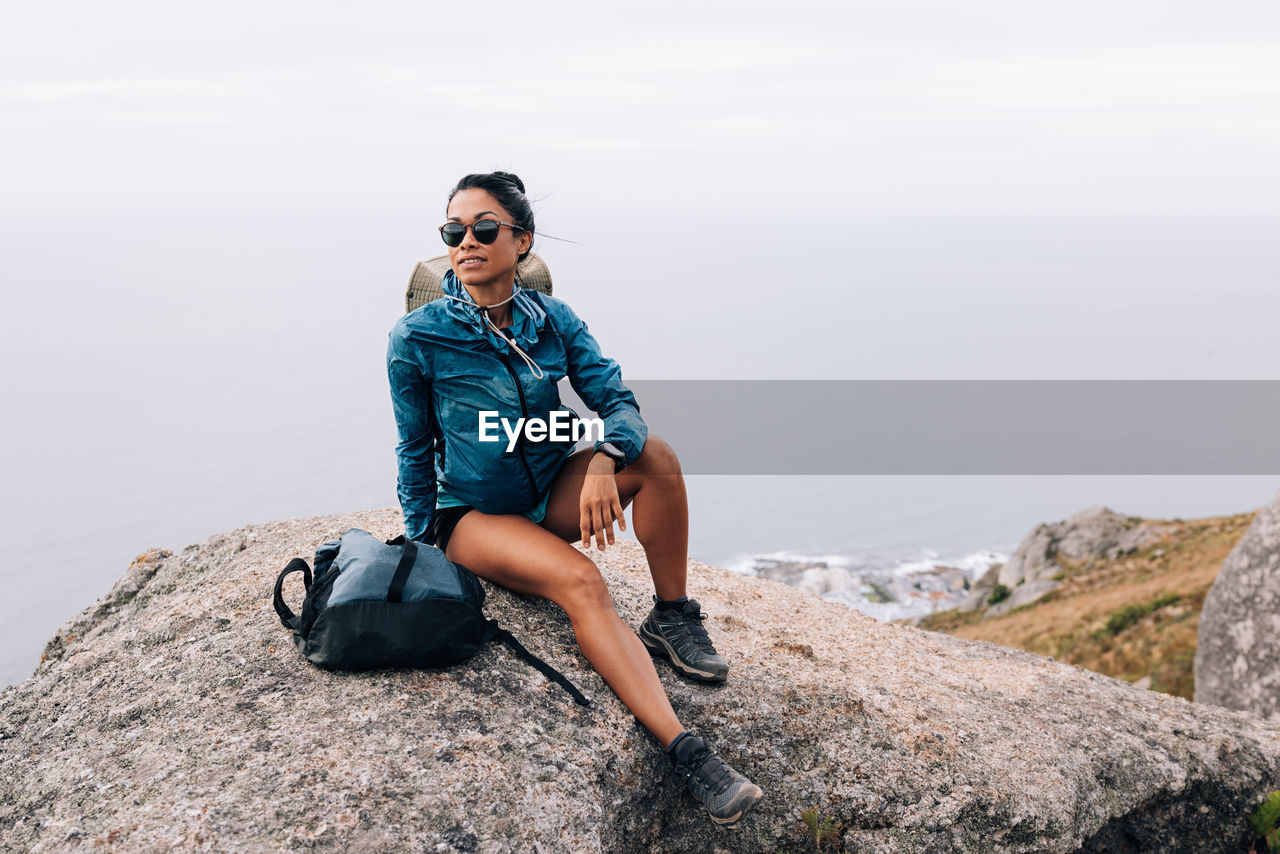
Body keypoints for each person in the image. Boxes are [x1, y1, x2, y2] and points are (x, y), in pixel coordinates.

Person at [386, 171, 764, 825]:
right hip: (472, 514)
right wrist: (424, 548)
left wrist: (601, 463)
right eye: (453, 231)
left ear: (521, 241)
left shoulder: (552, 321)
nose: (465, 242)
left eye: (483, 228)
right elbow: (415, 451)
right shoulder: (418, 338)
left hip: (545, 490)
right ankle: (689, 755)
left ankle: (672, 616)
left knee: (656, 458)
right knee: (583, 582)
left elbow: (618, 404)